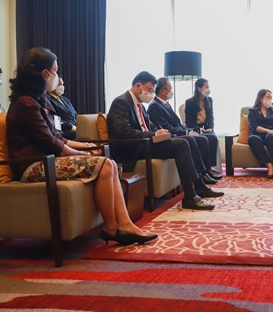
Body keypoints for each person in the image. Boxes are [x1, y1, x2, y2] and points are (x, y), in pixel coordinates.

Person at [6, 47, 157, 246]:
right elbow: (52, 143)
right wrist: (82, 154)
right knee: (104, 164)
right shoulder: (26, 104)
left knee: (108, 163)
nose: (57, 76)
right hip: (34, 166)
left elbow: (58, 137)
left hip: (49, 161)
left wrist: (87, 145)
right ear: (45, 74)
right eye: (56, 71)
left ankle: (120, 225)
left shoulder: (40, 101)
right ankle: (114, 227)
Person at [107, 71, 223, 211]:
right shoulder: (121, 102)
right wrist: (154, 134)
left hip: (146, 143)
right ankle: (190, 196)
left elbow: (149, 126)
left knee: (189, 139)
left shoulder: (140, 106)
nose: (151, 93)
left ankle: (200, 185)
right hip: (133, 148)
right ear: (138, 85)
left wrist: (161, 133)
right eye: (149, 90)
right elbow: (123, 131)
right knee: (182, 144)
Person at [148, 77, 221, 183]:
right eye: (170, 89)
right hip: (173, 135)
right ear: (163, 91)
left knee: (206, 137)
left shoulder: (165, 103)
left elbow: (178, 124)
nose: (171, 91)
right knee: (202, 140)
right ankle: (201, 175)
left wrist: (189, 130)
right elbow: (166, 128)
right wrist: (187, 132)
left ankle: (205, 172)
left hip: (181, 131)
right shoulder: (155, 106)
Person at [247, 89, 273, 180]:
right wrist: (268, 130)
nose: (269, 99)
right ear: (260, 98)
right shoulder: (252, 111)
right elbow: (254, 127)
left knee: (270, 136)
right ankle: (268, 164)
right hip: (258, 134)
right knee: (252, 139)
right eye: (267, 97)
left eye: (271, 97)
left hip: (271, 137)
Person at [184, 78, 219, 169]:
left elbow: (211, 117)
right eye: (206, 87)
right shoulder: (190, 102)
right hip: (195, 128)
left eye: (208, 87)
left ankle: (209, 167)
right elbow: (188, 122)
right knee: (205, 139)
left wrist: (211, 128)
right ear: (199, 89)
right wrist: (199, 129)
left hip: (207, 127)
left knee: (213, 138)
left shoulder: (209, 100)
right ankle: (203, 168)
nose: (208, 89)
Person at [46, 75, 78, 140]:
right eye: (59, 85)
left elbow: (75, 115)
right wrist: (71, 127)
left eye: (62, 84)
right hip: (64, 130)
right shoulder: (47, 99)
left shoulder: (66, 100)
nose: (62, 87)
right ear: (53, 85)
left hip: (76, 128)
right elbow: (53, 119)